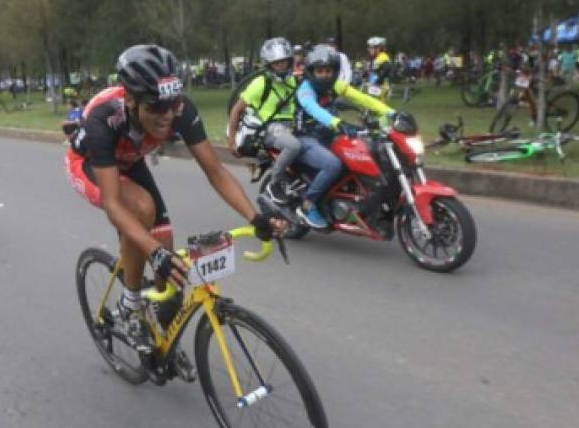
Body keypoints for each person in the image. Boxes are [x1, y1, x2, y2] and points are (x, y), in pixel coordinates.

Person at [65, 45, 283, 359]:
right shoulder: (104, 118)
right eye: (156, 107)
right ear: (130, 100)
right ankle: (130, 306)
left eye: (173, 103)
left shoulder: (179, 109)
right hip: (89, 165)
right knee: (139, 212)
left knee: (166, 249)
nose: (167, 114)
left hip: (131, 159)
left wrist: (256, 218)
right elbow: (114, 204)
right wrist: (152, 253)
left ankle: (163, 343)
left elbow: (215, 170)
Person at [293, 44, 394, 230]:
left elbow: (362, 98)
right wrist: (337, 123)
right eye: (320, 71)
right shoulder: (305, 88)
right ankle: (307, 205)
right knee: (333, 164)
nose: (324, 75)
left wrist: (390, 112)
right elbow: (312, 108)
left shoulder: (334, 85)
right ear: (311, 71)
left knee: (361, 153)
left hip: (329, 136)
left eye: (328, 71)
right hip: (306, 138)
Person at [226, 37, 300, 203]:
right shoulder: (260, 83)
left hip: (293, 126)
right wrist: (231, 141)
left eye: (284, 62)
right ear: (268, 64)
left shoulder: (294, 80)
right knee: (293, 146)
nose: (281, 66)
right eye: (276, 63)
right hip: (271, 128)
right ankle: (274, 184)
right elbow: (236, 111)